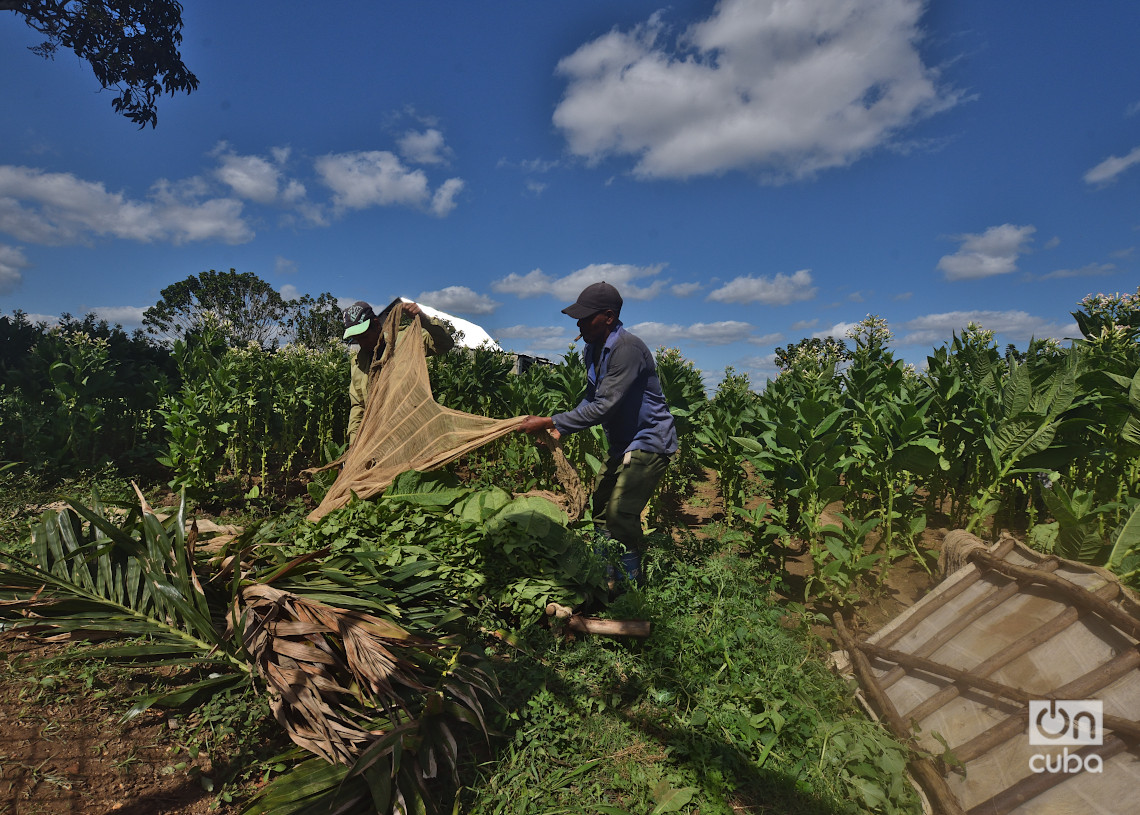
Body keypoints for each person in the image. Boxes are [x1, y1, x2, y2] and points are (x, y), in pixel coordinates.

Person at [518, 281, 677, 589]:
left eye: (585, 317)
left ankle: (631, 587)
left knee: (620, 513)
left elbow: (604, 407)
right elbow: (591, 399)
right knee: (601, 510)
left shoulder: (627, 349)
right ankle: (607, 579)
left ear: (608, 316)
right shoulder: (593, 350)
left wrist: (548, 419)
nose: (578, 323)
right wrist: (558, 427)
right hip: (622, 444)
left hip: (648, 441)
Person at [342, 298, 454, 445]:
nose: (362, 343)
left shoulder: (406, 339)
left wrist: (423, 319)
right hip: (378, 437)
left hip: (411, 432)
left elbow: (444, 344)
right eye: (356, 339)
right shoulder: (358, 363)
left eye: (364, 336)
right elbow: (358, 406)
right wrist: (354, 445)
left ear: (376, 324)